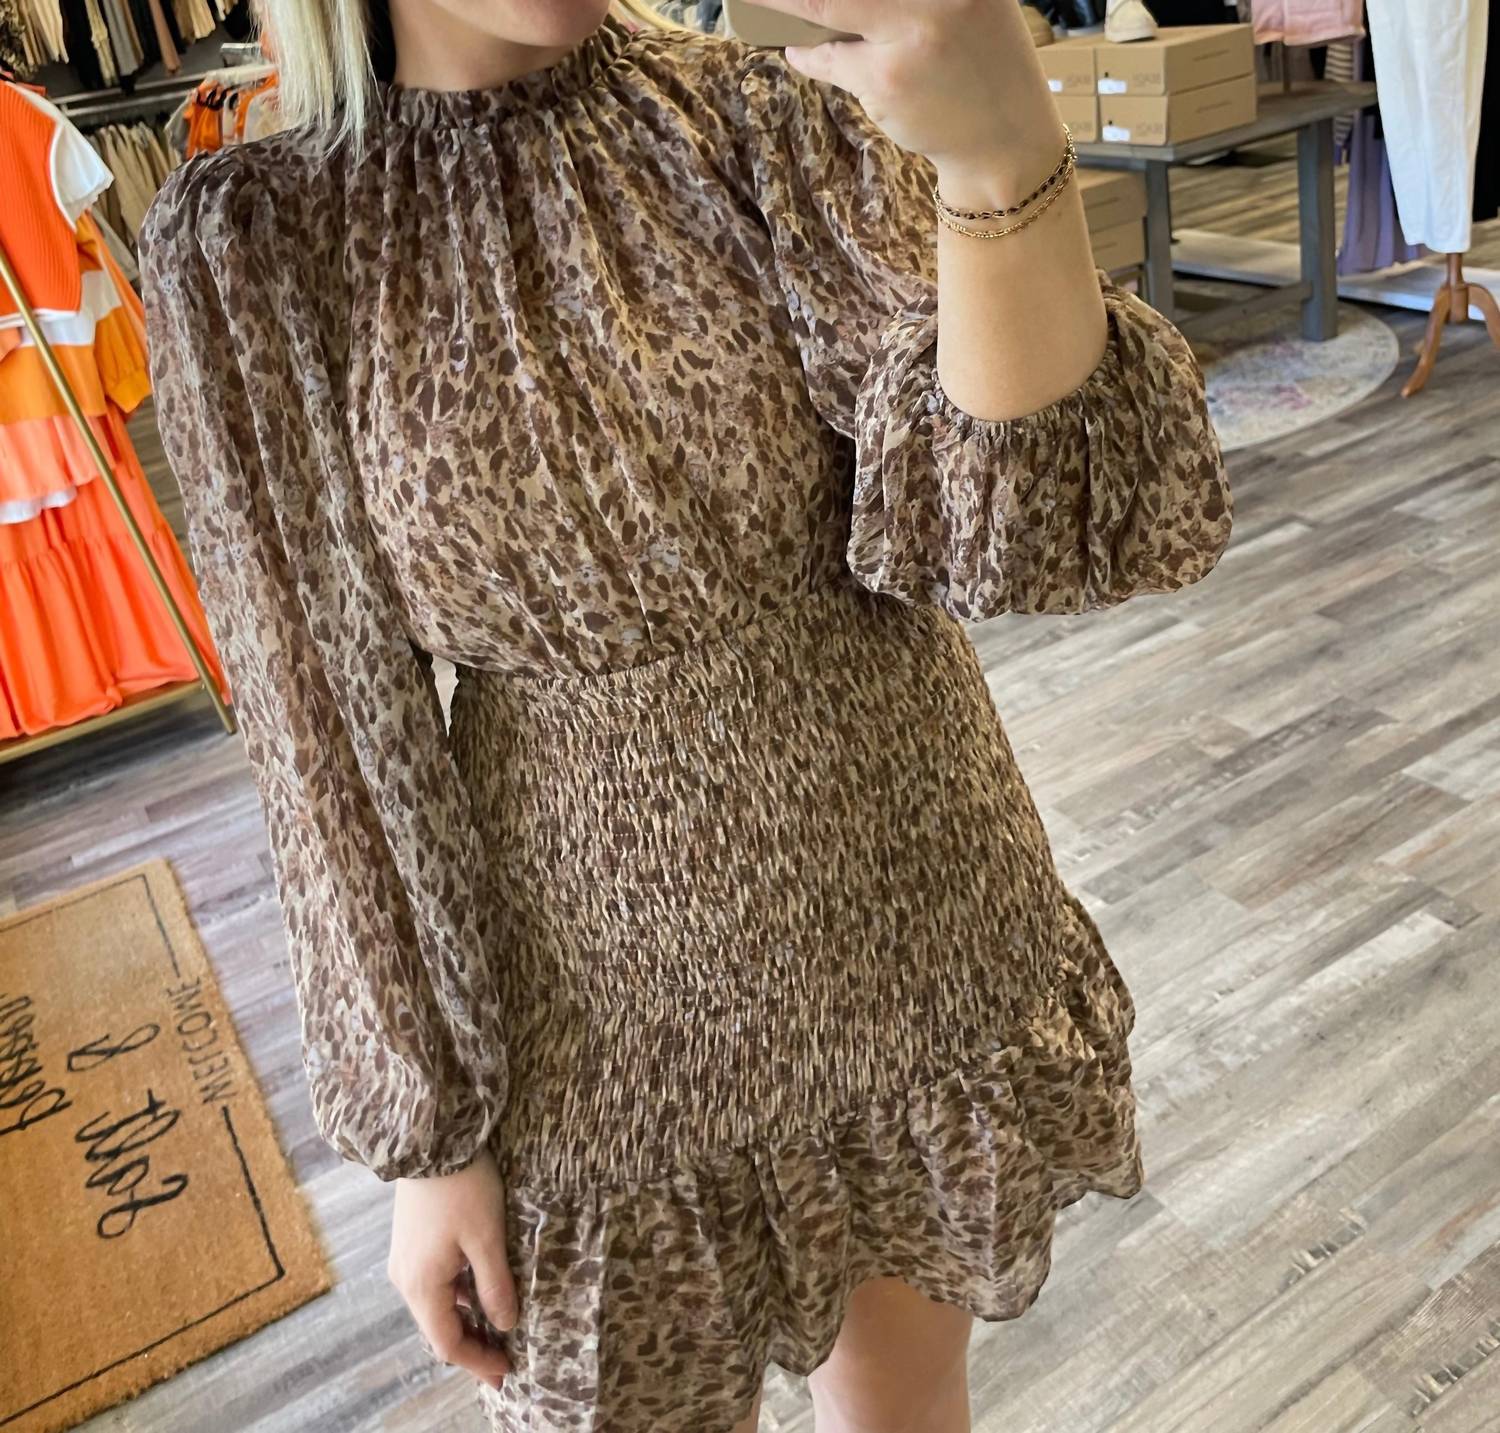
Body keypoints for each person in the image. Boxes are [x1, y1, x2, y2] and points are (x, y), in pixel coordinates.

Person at [137, 0, 1233, 1428]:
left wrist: (999, 161)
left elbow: (1005, 531)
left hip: (912, 925)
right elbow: (329, 736)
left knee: (906, 1405)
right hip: (586, 1030)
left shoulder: (769, 111)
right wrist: (430, 1136)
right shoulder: (263, 239)